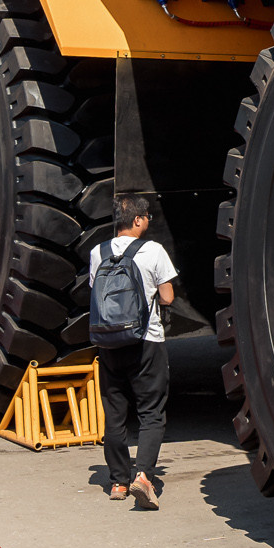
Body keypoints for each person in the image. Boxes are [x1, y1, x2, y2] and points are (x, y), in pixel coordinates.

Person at [89, 193, 177, 507]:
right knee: (151, 413)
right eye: (147, 218)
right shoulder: (153, 250)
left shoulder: (97, 252)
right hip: (146, 342)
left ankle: (117, 483)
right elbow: (166, 296)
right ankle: (143, 476)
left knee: (115, 416)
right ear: (137, 220)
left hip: (108, 343)